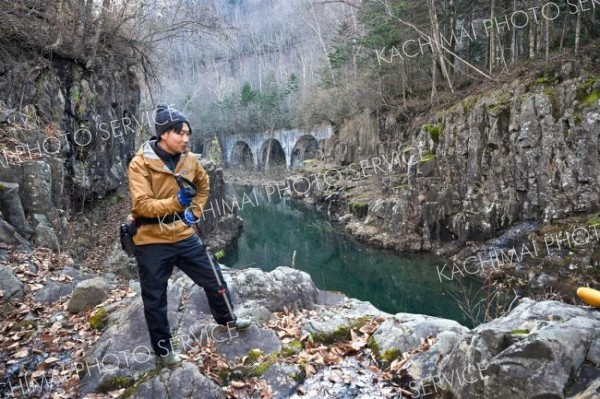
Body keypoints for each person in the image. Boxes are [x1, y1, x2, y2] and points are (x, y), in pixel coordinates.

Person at [127, 103, 251, 368]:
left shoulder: (190, 160)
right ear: (163, 134)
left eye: (188, 133)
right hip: (151, 238)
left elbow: (203, 185)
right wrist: (176, 202)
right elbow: (141, 205)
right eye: (180, 133)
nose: (185, 138)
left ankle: (228, 318)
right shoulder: (140, 164)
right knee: (155, 298)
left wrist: (193, 211)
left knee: (214, 277)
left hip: (184, 234)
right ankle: (163, 352)